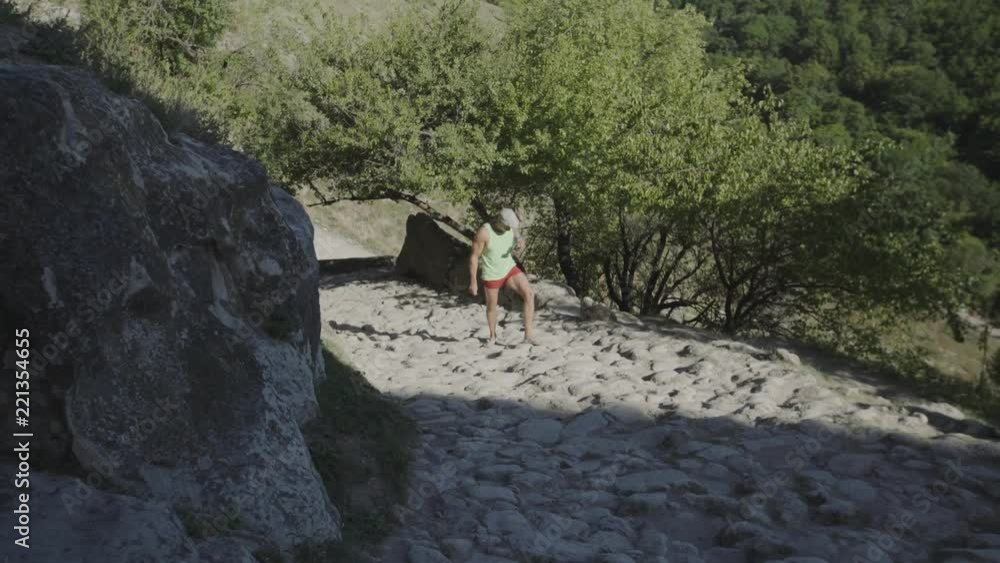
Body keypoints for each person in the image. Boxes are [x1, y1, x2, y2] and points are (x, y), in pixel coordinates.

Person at [468, 208, 536, 345]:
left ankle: (528, 335)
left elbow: (518, 237)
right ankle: (493, 336)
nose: (509, 229)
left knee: (529, 294)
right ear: (500, 222)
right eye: (507, 226)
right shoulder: (484, 233)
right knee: (492, 307)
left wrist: (521, 244)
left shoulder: (510, 227)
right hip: (492, 273)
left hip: (508, 267)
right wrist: (473, 281)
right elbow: (474, 257)